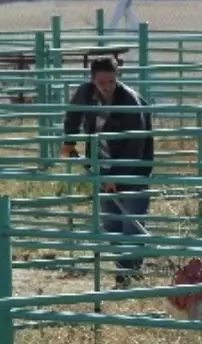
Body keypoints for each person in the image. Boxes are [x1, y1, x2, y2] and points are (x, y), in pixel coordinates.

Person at [61, 56, 155, 288]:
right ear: (93, 80)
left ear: (117, 77)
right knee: (112, 224)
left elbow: (136, 144)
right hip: (101, 166)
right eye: (102, 82)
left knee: (131, 224)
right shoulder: (85, 94)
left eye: (111, 81)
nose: (107, 86)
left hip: (134, 169)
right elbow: (73, 116)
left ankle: (126, 276)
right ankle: (129, 268)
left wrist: (117, 175)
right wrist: (69, 142)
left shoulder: (130, 102)